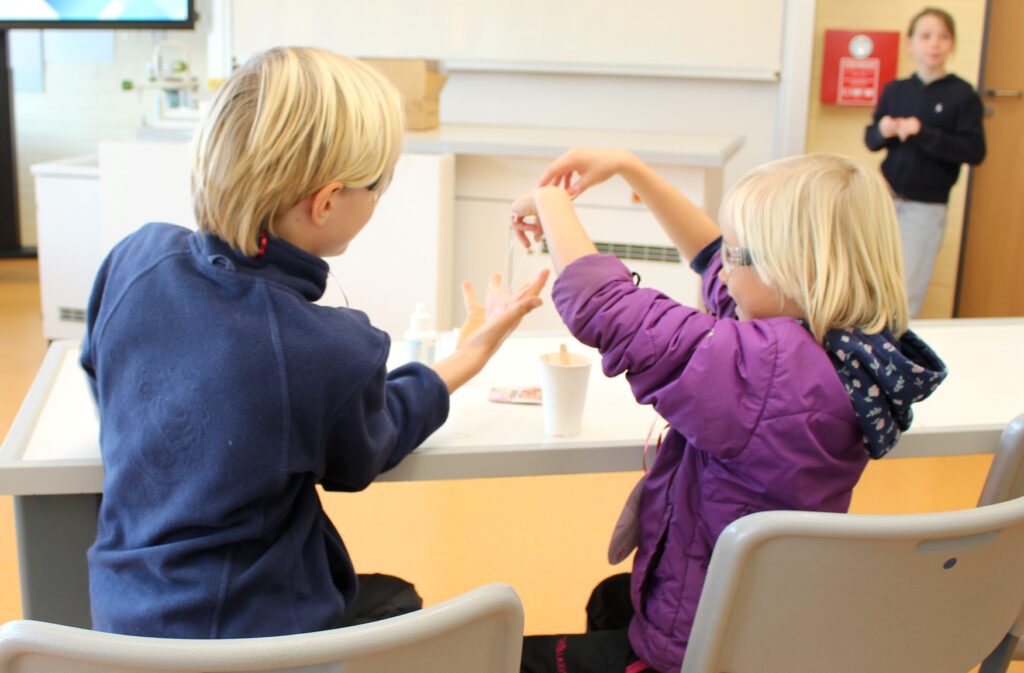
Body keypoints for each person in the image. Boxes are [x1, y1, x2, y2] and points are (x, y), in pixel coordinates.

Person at [80, 47, 548, 638]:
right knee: (398, 601)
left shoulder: (135, 258)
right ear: (326, 202)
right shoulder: (328, 351)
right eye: (379, 185)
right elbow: (365, 452)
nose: (379, 199)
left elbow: (102, 370)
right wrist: (469, 355)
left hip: (122, 627)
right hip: (260, 645)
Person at [509, 149, 947, 673]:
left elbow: (605, 307)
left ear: (792, 268)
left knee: (502, 655)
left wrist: (550, 201)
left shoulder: (766, 372)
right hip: (763, 628)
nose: (724, 273)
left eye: (739, 257)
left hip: (698, 649)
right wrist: (632, 168)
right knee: (611, 599)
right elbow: (715, 257)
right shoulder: (845, 349)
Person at [865, 6, 985, 317]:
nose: (934, 43)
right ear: (911, 43)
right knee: (871, 280)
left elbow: (975, 151)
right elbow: (871, 140)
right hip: (884, 200)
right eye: (926, 36)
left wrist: (923, 132)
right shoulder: (896, 90)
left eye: (943, 37)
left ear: (952, 45)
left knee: (908, 290)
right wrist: (884, 130)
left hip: (925, 206)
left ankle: (901, 360)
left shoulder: (962, 94)